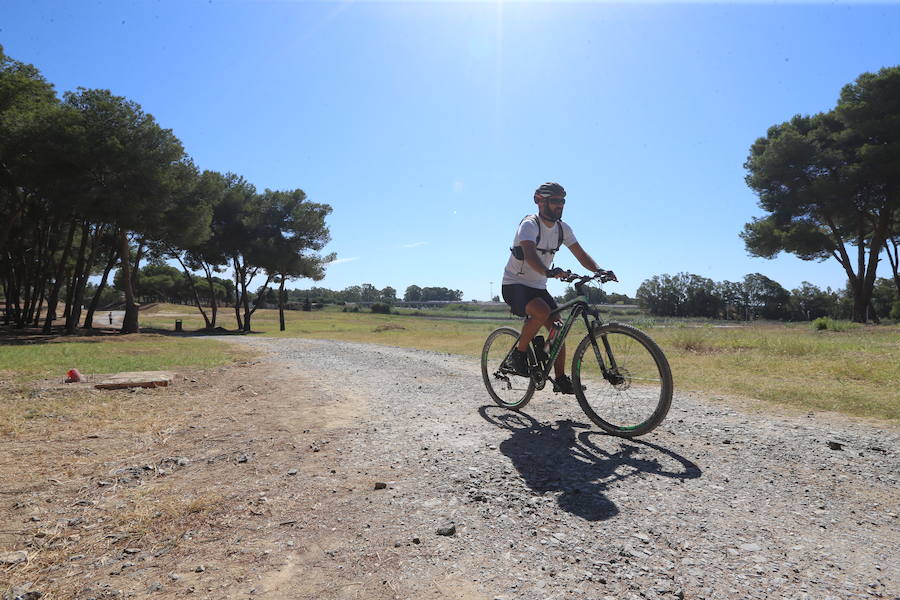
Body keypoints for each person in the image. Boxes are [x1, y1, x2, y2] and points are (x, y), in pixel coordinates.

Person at [500, 182, 609, 394]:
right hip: (515, 285)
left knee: (557, 328)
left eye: (562, 201)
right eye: (555, 201)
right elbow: (530, 255)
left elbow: (580, 254)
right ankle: (519, 355)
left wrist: (599, 270)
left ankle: (559, 378)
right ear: (540, 201)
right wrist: (549, 272)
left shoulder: (563, 229)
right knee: (541, 311)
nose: (560, 205)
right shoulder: (530, 225)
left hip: (538, 287)